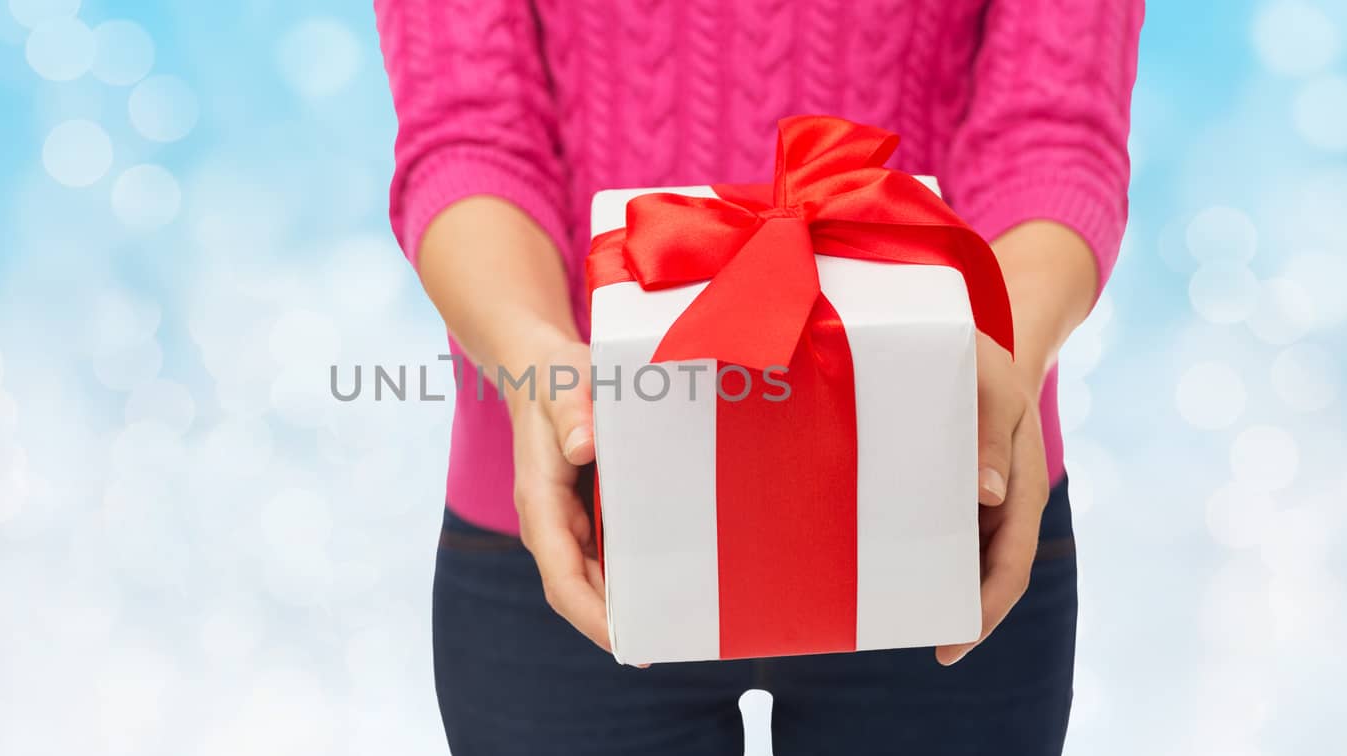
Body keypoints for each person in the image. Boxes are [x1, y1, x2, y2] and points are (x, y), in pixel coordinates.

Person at [375, 2, 1141, 754]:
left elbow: (1056, 132)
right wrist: (531, 358)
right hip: (574, 511)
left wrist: (1008, 350)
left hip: (952, 498)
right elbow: (467, 131)